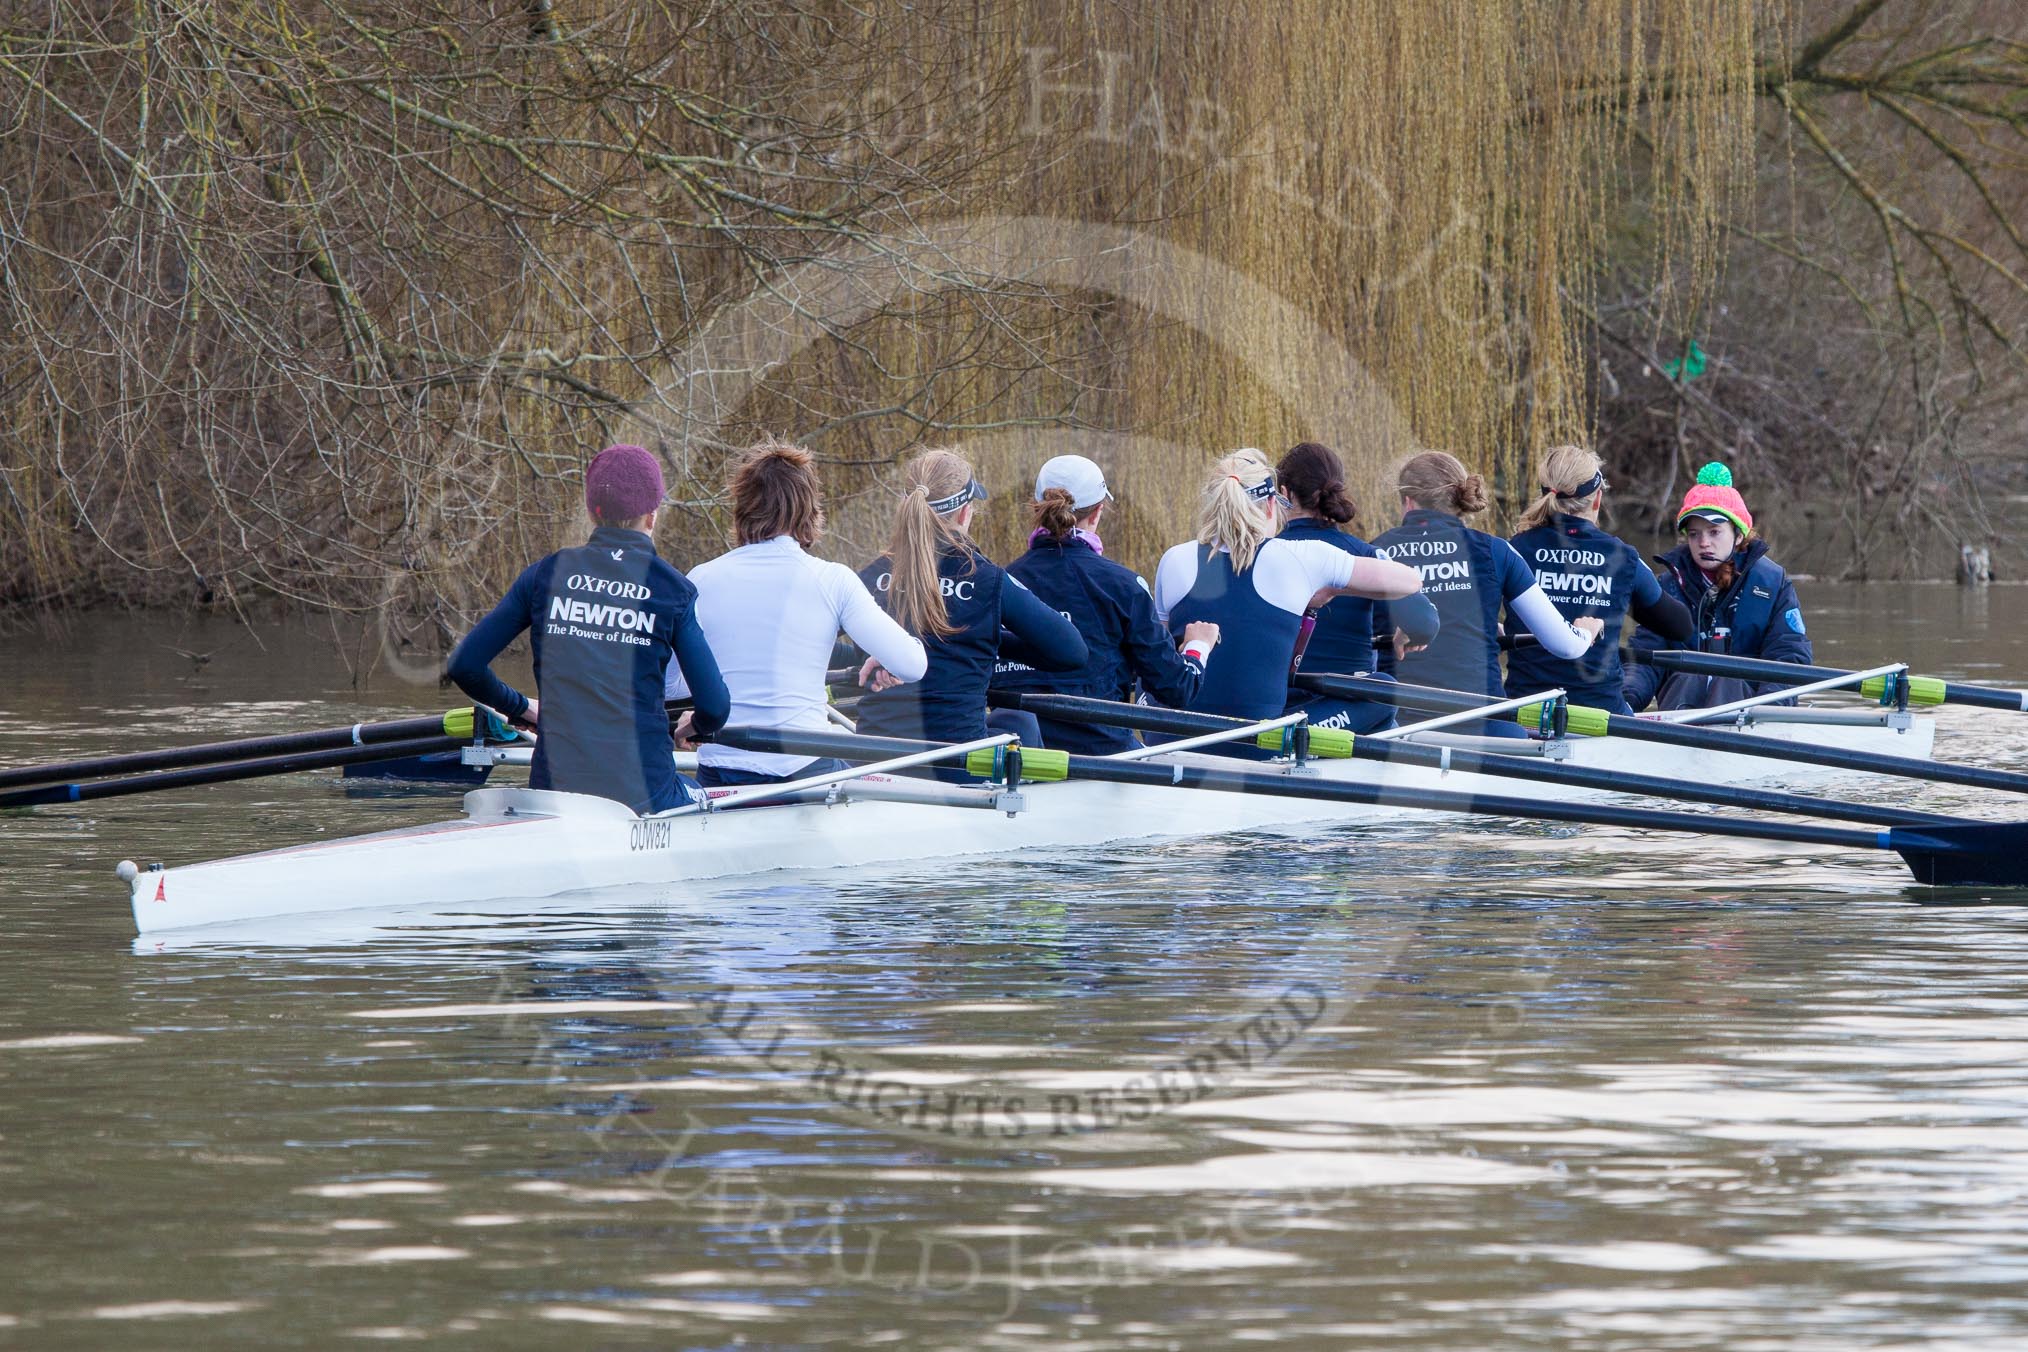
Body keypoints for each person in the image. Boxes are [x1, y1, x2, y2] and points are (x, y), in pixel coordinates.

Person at [447, 443, 729, 813]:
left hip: (553, 796)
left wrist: (521, 708)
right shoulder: (673, 591)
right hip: (643, 795)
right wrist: (694, 726)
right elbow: (716, 706)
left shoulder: (545, 576)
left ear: (590, 510)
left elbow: (464, 666)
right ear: (653, 514)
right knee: (710, 795)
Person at [671, 440, 928, 787]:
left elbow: (672, 687)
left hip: (721, 773)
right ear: (809, 511)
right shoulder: (832, 579)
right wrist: (883, 660)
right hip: (804, 775)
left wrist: (701, 715)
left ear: (742, 509)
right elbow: (912, 665)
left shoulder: (699, 579)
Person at [1152, 448, 1424, 751]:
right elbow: (1410, 581)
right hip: (1257, 747)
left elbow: (1158, 654)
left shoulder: (1173, 559)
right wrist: (1333, 589)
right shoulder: (1303, 557)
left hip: (1171, 739)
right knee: (1383, 690)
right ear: (1271, 505)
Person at [854, 448, 1089, 750]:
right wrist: (981, 638)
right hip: (958, 767)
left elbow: (809, 639)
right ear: (965, 513)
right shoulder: (987, 579)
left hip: (871, 763)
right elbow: (1071, 651)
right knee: (1019, 722)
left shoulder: (871, 577)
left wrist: (872, 652)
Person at [989, 455, 1221, 753]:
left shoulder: (1000, 583)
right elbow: (1178, 688)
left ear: (1037, 508)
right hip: (1102, 757)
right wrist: (1197, 647)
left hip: (1018, 758)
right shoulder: (1124, 586)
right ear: (1098, 512)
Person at [1370, 449, 1599, 736]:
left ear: (1407, 502)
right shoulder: (1496, 551)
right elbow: (1565, 646)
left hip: (1398, 729)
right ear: (1458, 500)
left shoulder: (1372, 554)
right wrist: (1587, 632)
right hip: (1485, 726)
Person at [1504, 445, 1693, 713]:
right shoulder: (1622, 557)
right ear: (1597, 499)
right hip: (1601, 712)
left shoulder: (1513, 550)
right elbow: (1680, 627)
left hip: (1523, 707)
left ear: (1545, 495)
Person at [1274, 442, 1442, 734]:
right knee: (1386, 693)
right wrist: (1407, 632)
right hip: (1346, 708)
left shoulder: (1262, 554)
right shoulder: (1365, 555)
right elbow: (1425, 623)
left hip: (1275, 703)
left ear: (1285, 494)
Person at [1624, 461, 1812, 711]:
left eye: (1714, 532)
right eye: (1694, 534)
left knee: (1728, 680)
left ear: (1738, 536)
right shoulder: (1667, 587)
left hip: (1751, 718)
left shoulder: (1773, 584)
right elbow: (1645, 660)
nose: (1703, 543)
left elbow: (1790, 657)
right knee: (1689, 677)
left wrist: (1771, 710)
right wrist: (1625, 701)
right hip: (1681, 711)